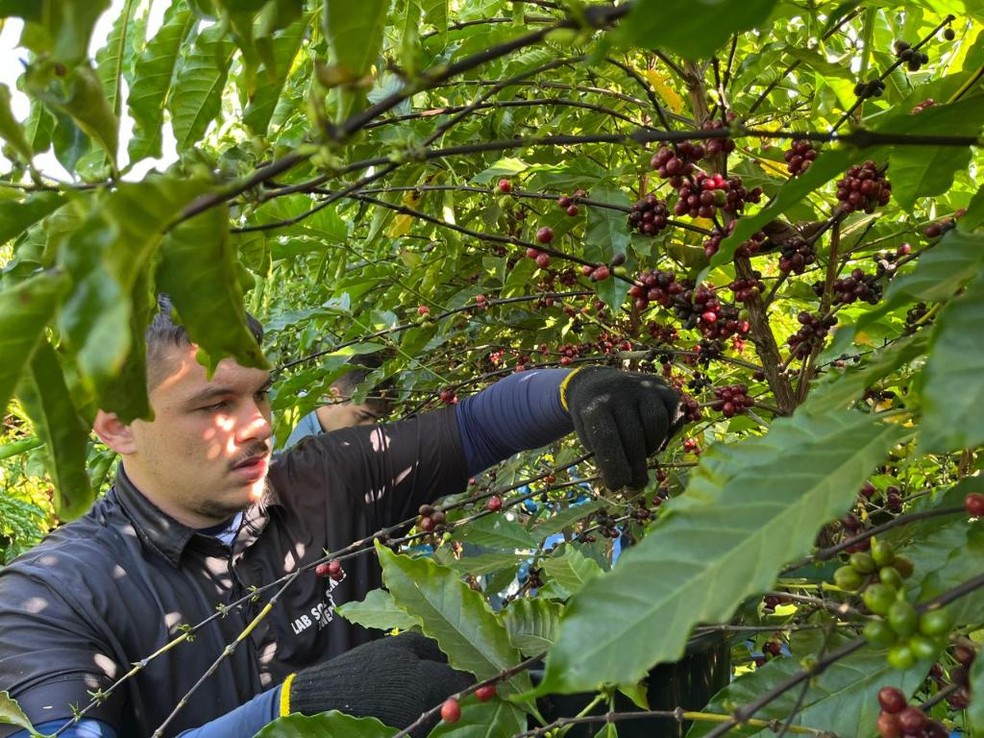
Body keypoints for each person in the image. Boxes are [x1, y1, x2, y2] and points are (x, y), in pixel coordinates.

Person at [0, 295, 681, 738]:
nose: (259, 425)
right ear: (117, 426)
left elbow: (474, 427)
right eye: (214, 405)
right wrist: (286, 717)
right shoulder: (52, 597)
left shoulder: (324, 477)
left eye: (261, 394)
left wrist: (577, 391)